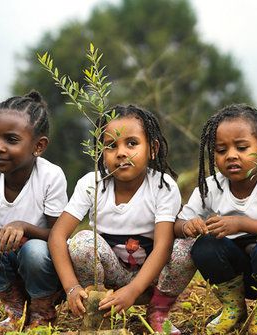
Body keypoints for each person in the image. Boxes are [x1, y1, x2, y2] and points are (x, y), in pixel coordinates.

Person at [48, 105, 180, 333]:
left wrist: (134, 289)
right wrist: (71, 288)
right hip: (108, 279)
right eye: (111, 145)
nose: (121, 152)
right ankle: (97, 312)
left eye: (132, 143)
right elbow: (57, 236)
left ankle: (158, 310)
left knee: (184, 246)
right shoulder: (92, 183)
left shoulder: (163, 186)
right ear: (100, 152)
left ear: (152, 148)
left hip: (151, 282)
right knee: (81, 242)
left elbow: (163, 246)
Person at [171, 104, 257, 335]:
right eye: (221, 150)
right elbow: (178, 224)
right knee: (205, 246)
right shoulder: (212, 186)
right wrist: (188, 226)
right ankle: (233, 307)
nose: (231, 155)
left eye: (242, 147)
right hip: (238, 274)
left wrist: (240, 223)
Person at [0, 91, 67, 333]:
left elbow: (60, 236)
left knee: (34, 250)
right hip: (6, 264)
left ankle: (42, 311)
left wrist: (25, 227)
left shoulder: (50, 177)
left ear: (39, 146)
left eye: (11, 140)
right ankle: (15, 310)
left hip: (43, 266)